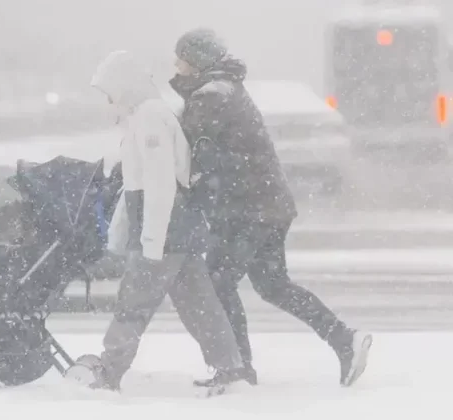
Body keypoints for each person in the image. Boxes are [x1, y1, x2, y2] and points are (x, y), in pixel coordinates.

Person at [169, 28, 372, 387]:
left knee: (218, 283)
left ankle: (238, 368)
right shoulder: (225, 88)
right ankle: (343, 339)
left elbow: (187, 151)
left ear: (197, 61)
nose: (176, 66)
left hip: (246, 210)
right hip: (266, 206)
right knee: (273, 285)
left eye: (181, 59)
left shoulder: (211, 96)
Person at [83, 50, 249, 393]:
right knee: (198, 303)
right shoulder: (145, 115)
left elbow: (159, 184)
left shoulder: (150, 118)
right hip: (178, 229)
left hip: (164, 229)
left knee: (132, 303)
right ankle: (229, 369)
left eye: (109, 90)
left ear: (124, 85)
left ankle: (109, 373)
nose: (108, 99)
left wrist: (151, 241)